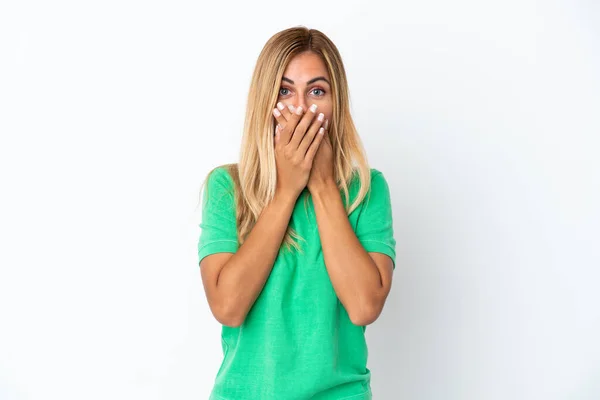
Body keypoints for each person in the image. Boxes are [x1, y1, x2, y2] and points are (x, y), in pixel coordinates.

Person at [197, 26, 396, 400]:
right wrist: (287, 189)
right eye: (285, 91)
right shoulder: (228, 188)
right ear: (265, 101)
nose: (302, 108)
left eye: (317, 91)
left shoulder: (367, 191)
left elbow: (364, 305)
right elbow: (228, 307)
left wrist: (321, 186)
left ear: (336, 103)